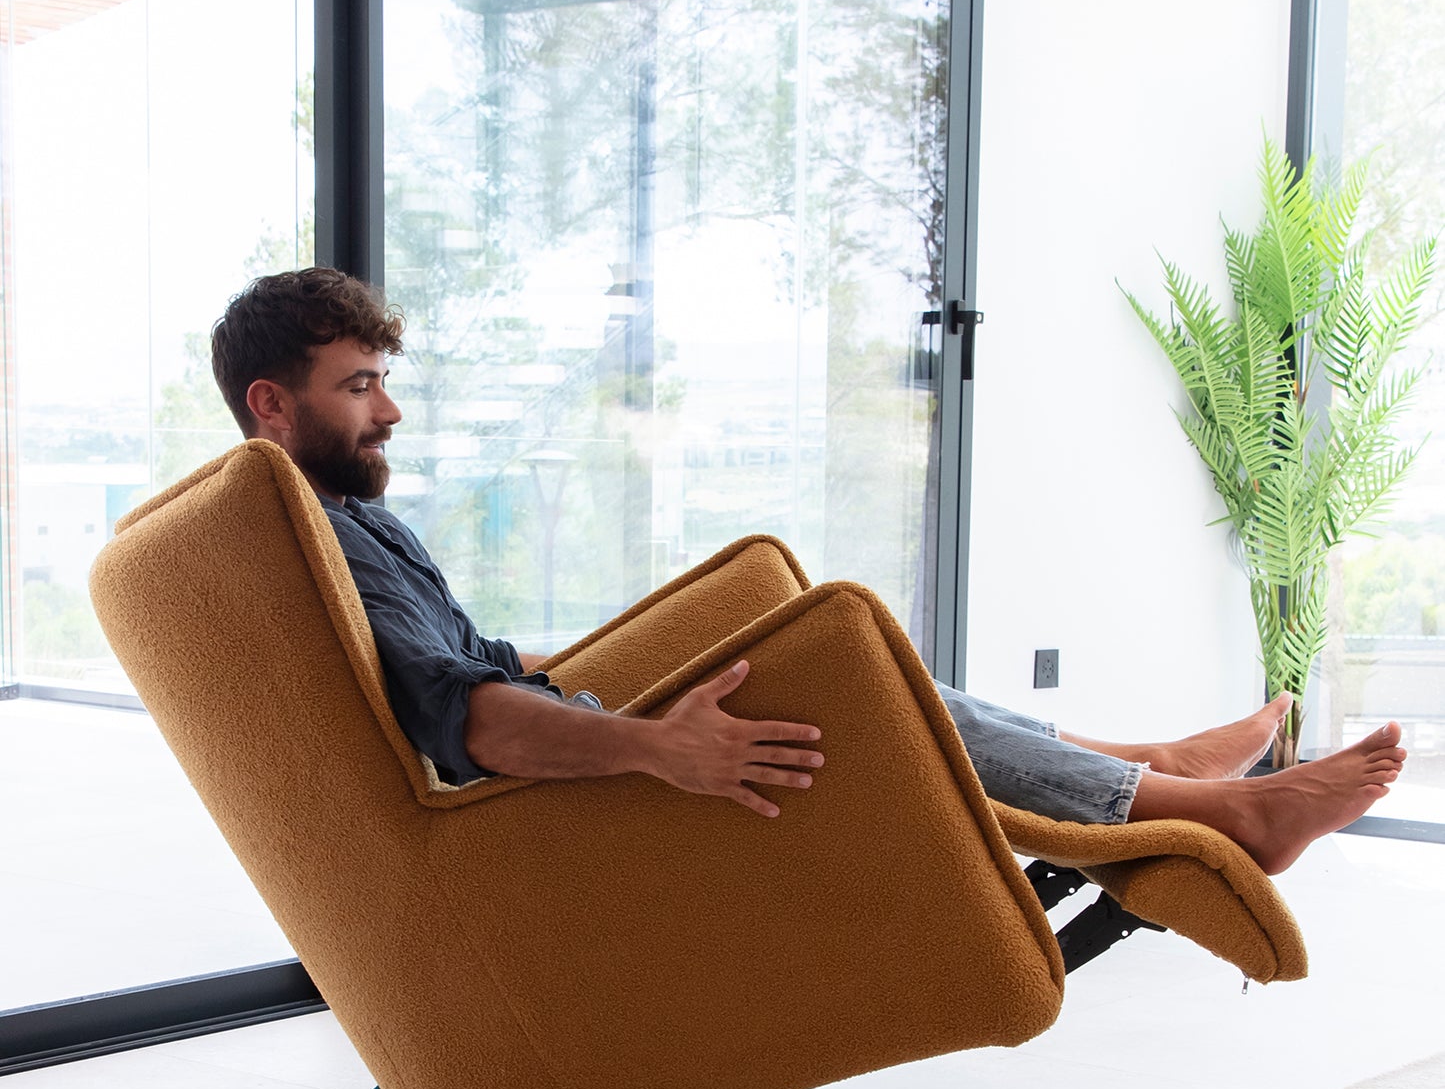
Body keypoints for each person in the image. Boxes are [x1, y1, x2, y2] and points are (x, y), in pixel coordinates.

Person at [210, 268, 1406, 875]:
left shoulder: (337, 516)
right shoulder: (316, 537)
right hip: (553, 809)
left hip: (569, 732)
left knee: (822, 632)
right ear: (272, 402)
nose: (390, 410)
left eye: (383, 381)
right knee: (839, 671)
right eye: (359, 386)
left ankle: (1136, 768)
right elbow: (462, 716)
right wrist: (660, 742)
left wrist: (627, 655)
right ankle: (1212, 811)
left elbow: (468, 663)